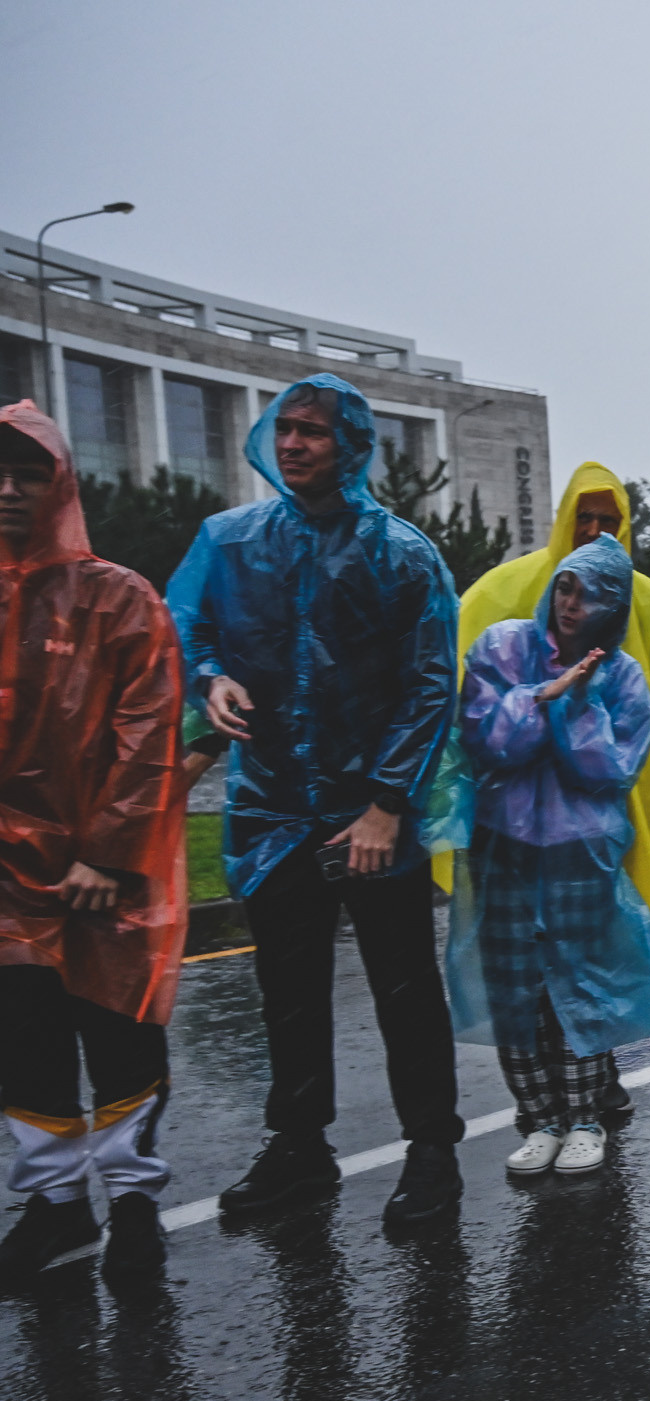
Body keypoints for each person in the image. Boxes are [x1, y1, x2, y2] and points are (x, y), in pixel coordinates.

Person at [166, 374, 467, 1224]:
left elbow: (429, 686)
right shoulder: (230, 541)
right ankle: (299, 1146)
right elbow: (185, 624)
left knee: (403, 987)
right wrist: (210, 678)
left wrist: (387, 804)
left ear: (352, 446)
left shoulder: (400, 553)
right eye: (286, 428)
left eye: (313, 431)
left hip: (371, 812)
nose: (293, 443)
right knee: (288, 988)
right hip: (272, 808)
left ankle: (432, 1149)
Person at [0, 401, 187, 1281]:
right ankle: (57, 1204)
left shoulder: (119, 597)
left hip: (104, 871)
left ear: (60, 484)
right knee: (23, 1039)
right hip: (6, 877)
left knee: (119, 1033)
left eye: (28, 473)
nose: (9, 490)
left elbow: (148, 730)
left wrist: (109, 852)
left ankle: (135, 1203)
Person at [444, 535, 650, 1171]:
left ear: (613, 608)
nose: (572, 604)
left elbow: (609, 771)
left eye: (591, 595)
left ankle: (584, 1119)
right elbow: (487, 742)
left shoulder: (622, 676)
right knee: (513, 986)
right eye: (566, 587)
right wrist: (543, 694)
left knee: (581, 986)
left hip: (580, 853)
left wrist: (578, 701)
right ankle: (539, 1118)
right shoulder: (502, 647)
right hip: (504, 846)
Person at [454, 461, 650, 959]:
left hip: (611, 796)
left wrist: (625, 750)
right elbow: (466, 697)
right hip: (514, 814)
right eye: (584, 517)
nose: (594, 530)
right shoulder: (501, 590)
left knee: (602, 946)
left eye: (607, 521)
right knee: (518, 958)